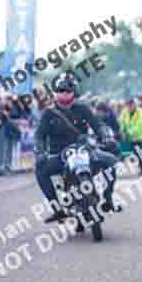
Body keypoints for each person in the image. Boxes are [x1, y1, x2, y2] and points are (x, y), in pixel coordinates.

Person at [34, 76, 120, 223]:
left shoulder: (83, 108)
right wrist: (41, 152)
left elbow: (98, 125)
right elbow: (39, 136)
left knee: (112, 162)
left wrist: (106, 138)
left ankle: (108, 198)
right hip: (59, 154)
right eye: (60, 90)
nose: (64, 93)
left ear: (73, 92)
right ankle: (57, 209)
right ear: (55, 93)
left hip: (84, 150)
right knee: (40, 170)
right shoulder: (48, 113)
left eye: (67, 90)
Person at [119, 98, 142, 176]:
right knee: (136, 154)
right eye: (128, 105)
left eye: (131, 104)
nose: (129, 107)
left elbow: (139, 125)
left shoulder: (140, 112)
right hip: (131, 138)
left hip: (141, 137)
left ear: (135, 105)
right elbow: (121, 122)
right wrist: (123, 130)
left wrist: (128, 133)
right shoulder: (124, 112)